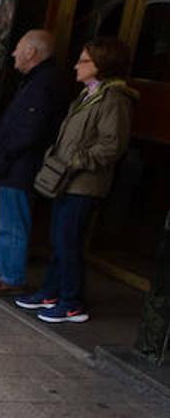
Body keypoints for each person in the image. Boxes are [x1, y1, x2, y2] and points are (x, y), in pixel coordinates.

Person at [15, 36, 135, 323]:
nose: (76, 66)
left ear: (101, 65)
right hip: (66, 180)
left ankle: (72, 301)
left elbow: (111, 145)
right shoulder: (89, 94)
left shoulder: (114, 100)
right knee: (59, 239)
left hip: (85, 184)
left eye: (84, 61)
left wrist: (75, 160)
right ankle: (51, 292)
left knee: (68, 242)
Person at [0, 29, 66, 295]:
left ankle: (12, 276)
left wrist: (5, 153)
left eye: (18, 48)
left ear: (32, 52)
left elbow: (29, 130)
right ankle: (1, 269)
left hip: (21, 166)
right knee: (7, 220)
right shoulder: (36, 81)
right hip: (15, 164)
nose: (14, 54)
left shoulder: (43, 84)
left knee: (14, 223)